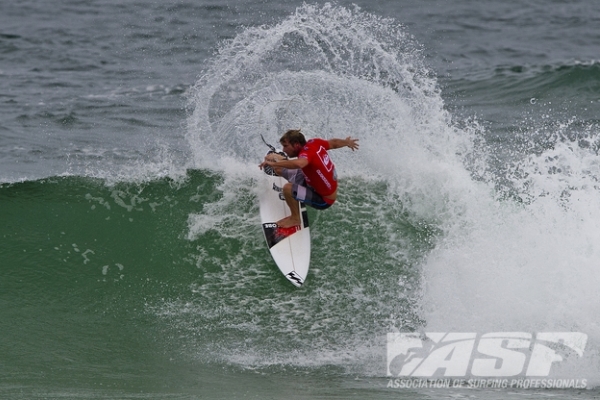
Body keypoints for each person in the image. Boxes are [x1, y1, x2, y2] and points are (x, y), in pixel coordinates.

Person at [259, 129, 359, 228]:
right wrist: (346, 142)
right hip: (311, 181)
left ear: (296, 145)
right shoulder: (314, 142)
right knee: (276, 167)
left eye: (286, 146)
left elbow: (300, 163)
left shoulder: (306, 156)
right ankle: (283, 165)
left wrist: (273, 163)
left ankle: (295, 219)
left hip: (323, 199)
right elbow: (333, 143)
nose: (284, 150)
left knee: (288, 189)